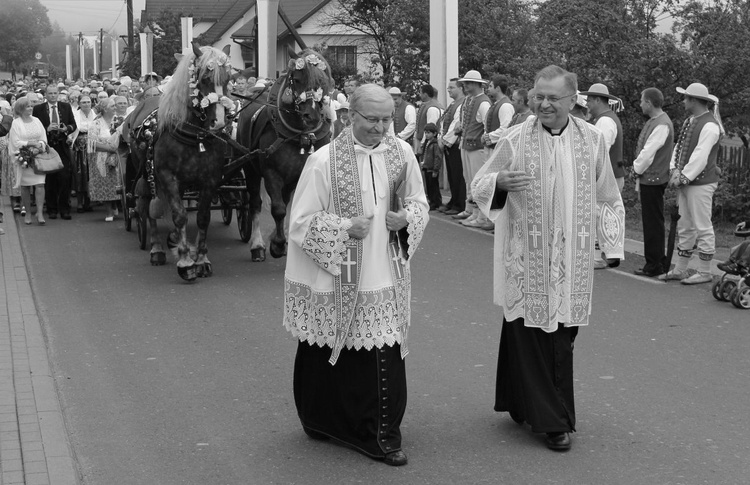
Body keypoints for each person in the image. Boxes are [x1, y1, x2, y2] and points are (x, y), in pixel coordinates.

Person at [471, 65, 625, 452]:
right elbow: (480, 183)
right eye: (538, 96)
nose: (543, 104)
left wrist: (612, 244)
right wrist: (499, 183)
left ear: (573, 100)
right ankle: (554, 421)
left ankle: (520, 402)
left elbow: (607, 194)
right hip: (527, 257)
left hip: (572, 261)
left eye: (553, 98)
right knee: (533, 334)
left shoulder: (592, 140)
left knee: (562, 334)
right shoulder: (515, 137)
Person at [284, 84, 429, 467]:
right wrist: (344, 227)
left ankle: (379, 434)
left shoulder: (403, 154)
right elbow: (299, 223)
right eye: (372, 120)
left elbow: (419, 201)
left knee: (381, 346)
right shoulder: (323, 160)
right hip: (337, 274)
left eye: (387, 120)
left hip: (386, 270)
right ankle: (322, 419)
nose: (381, 128)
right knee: (329, 340)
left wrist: (408, 218)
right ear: (350, 117)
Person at [660, 83, 722, 285]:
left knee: (702, 226)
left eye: (686, 98)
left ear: (695, 100)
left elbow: (700, 156)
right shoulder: (690, 121)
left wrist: (684, 176)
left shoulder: (710, 125)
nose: (684, 101)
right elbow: (679, 148)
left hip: (701, 182)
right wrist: (674, 170)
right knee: (685, 226)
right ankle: (680, 269)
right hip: (688, 182)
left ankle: (705, 271)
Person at [580, 83, 624, 269]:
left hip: (608, 176)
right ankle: (602, 255)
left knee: (601, 215)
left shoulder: (605, 121)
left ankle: (599, 256)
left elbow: (600, 150)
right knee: (600, 215)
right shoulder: (605, 119)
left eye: (589, 100)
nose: (587, 103)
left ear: (598, 99)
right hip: (609, 175)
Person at [631, 87, 674, 277]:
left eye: (642, 100)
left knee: (653, 222)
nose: (640, 104)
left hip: (654, 178)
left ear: (649, 102)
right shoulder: (656, 122)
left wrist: (636, 168)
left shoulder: (662, 124)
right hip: (651, 178)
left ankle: (655, 263)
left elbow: (649, 152)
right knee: (651, 221)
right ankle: (655, 261)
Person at [454, 70, 492, 230]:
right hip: (467, 144)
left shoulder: (483, 102)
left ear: (477, 85)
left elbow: (486, 125)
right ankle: (471, 210)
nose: (465, 86)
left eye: (468, 83)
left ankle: (481, 215)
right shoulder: (469, 100)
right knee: (469, 179)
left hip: (477, 147)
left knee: (478, 181)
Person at [8, 97, 48, 225]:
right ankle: (28, 213)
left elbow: (43, 137)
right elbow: (15, 142)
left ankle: (40, 213)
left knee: (40, 185)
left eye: (31, 106)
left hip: (38, 157)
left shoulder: (36, 120)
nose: (31, 108)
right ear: (20, 109)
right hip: (24, 158)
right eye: (27, 106)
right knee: (25, 187)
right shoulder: (16, 123)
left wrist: (39, 146)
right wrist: (30, 144)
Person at [439, 78, 466, 216]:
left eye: (452, 87)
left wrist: (445, 141)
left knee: (457, 175)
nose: (449, 90)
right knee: (452, 175)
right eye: (448, 87)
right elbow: (444, 122)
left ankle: (459, 203)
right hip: (449, 144)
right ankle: (454, 200)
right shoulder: (453, 104)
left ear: (461, 88)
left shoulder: (462, 104)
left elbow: (455, 124)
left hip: (455, 144)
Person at [69, 94, 96, 212]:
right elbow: (73, 131)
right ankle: (79, 203)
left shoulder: (94, 115)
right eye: (84, 102)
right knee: (80, 174)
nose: (86, 104)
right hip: (79, 149)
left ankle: (88, 201)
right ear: (79, 104)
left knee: (90, 174)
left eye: (88, 102)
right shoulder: (75, 115)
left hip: (92, 148)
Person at [482, 75, 514, 150]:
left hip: (499, 149)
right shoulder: (497, 103)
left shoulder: (505, 105)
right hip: (492, 147)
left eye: (490, 86)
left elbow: (505, 129)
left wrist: (487, 137)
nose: (488, 89)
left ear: (498, 88)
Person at [413, 84, 443, 155]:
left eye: (421, 92)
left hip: (429, 144)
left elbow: (430, 129)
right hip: (422, 141)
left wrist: (423, 145)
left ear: (425, 94)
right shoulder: (426, 105)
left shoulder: (432, 108)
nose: (420, 95)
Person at [421, 122, 442, 209]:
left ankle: (436, 202)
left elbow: (437, 157)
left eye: (429, 133)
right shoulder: (427, 143)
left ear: (434, 133)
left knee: (434, 186)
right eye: (425, 133)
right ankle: (431, 200)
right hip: (427, 167)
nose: (426, 135)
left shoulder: (435, 144)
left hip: (432, 169)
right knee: (429, 186)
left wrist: (435, 169)